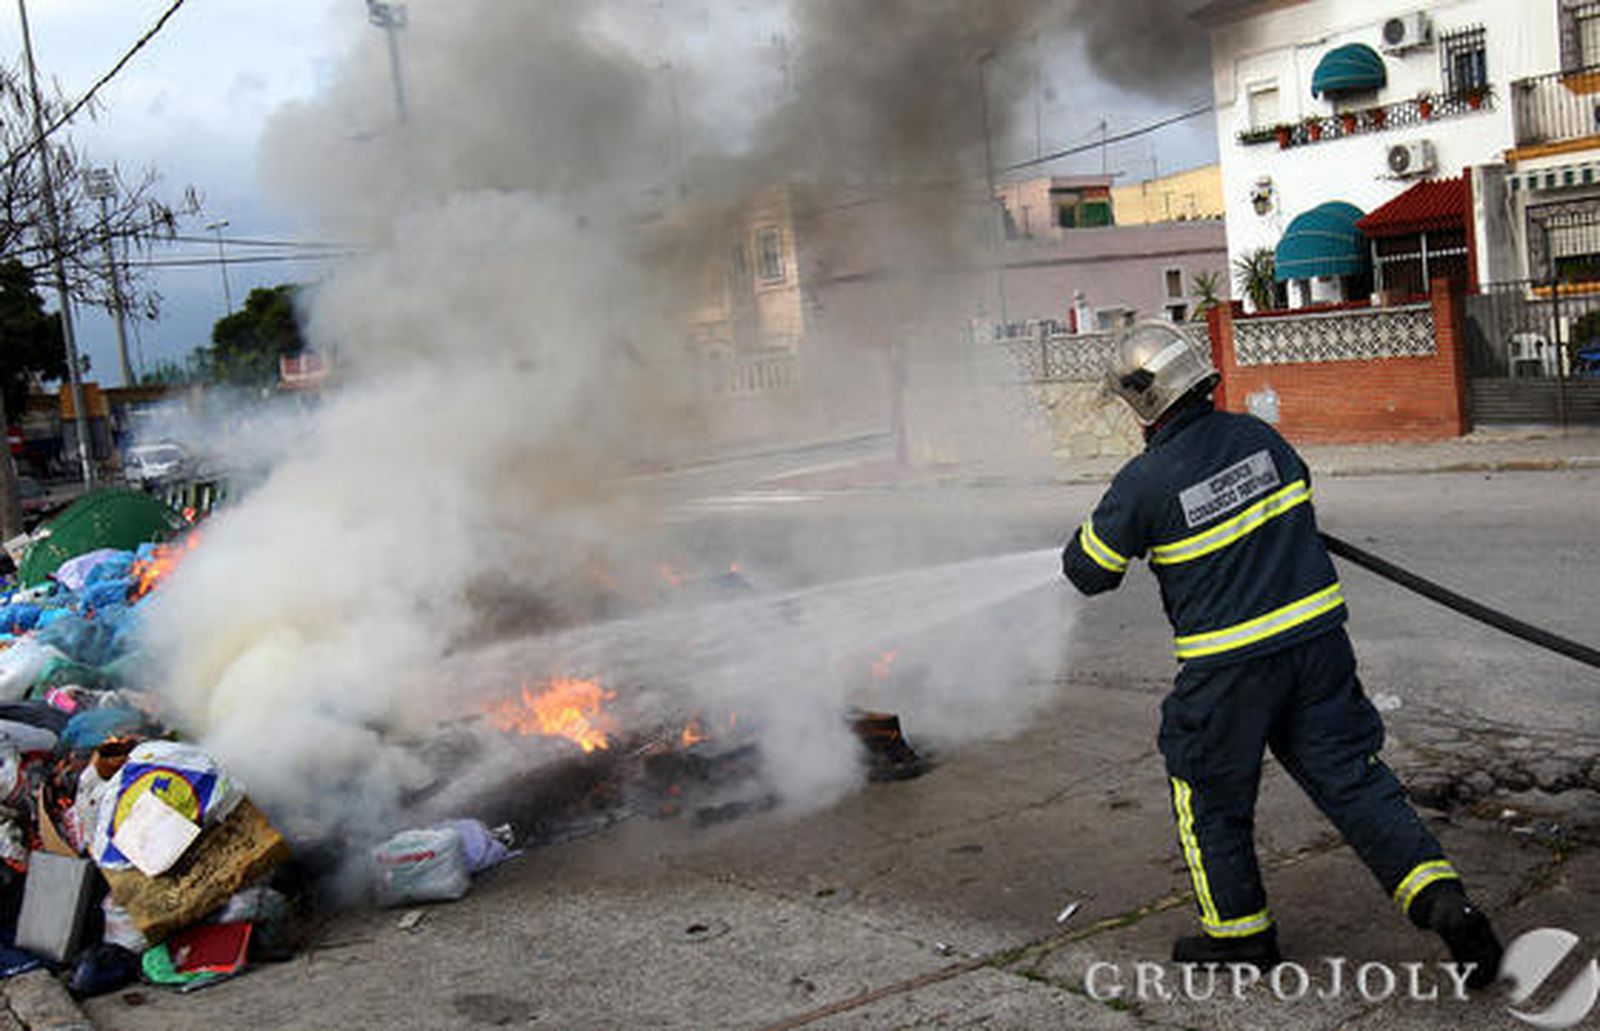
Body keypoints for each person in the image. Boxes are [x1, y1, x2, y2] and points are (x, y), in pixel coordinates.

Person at [1060, 321, 1503, 985]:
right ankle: (1444, 901)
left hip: (1229, 672)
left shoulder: (1144, 481)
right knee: (1353, 778)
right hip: (1318, 650)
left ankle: (1240, 935)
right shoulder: (1260, 438)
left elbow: (1088, 570)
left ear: (1146, 401)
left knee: (1207, 789)